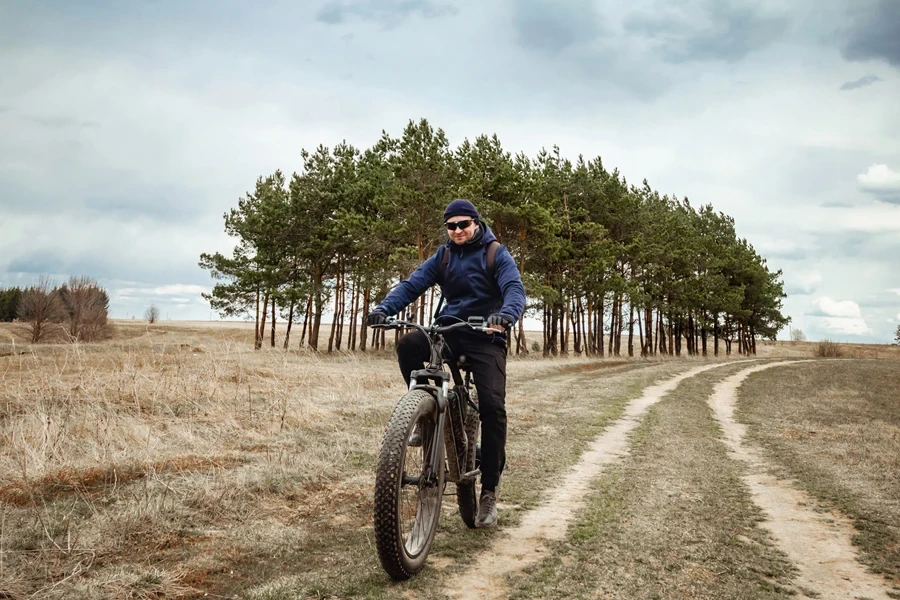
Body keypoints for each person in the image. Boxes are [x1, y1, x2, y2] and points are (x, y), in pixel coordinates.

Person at [367, 198, 526, 528]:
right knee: (409, 346)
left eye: (463, 224)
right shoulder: (443, 257)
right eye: (451, 226)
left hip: (486, 334)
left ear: (476, 223)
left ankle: (489, 493)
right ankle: (425, 416)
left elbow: (514, 290)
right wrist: (384, 309)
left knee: (493, 408)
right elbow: (413, 285)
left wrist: (505, 316)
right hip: (450, 329)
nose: (457, 231)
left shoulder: (496, 253)